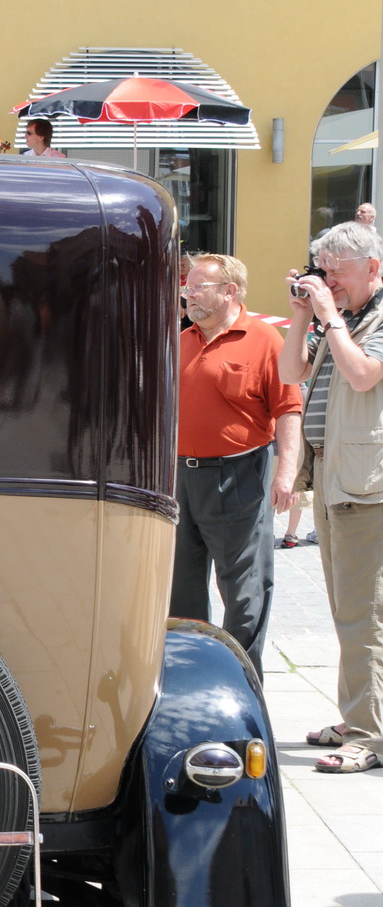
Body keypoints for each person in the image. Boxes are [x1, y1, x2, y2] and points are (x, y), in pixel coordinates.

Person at [279, 221, 383, 772]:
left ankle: (368, 734)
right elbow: (288, 371)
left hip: (369, 488)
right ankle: (359, 716)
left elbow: (364, 375)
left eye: (337, 271)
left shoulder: (371, 320)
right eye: (322, 270)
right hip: (335, 481)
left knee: (365, 615)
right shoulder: (341, 319)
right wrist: (303, 316)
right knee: (348, 611)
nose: (328, 281)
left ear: (373, 267)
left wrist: (331, 317)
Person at [172, 254, 302, 681]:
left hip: (239, 475)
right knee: (180, 588)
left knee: (244, 592)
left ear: (230, 291)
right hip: (180, 478)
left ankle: (242, 683)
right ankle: (190, 679)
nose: (188, 294)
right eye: (188, 287)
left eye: (198, 287)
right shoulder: (182, 339)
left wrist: (286, 474)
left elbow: (288, 409)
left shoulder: (264, 339)